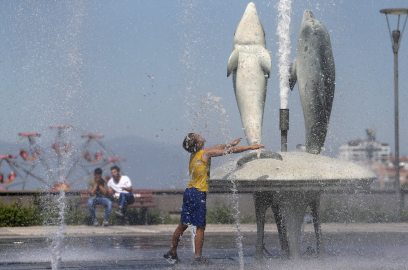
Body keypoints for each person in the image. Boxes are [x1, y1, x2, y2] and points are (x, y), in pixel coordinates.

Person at [164, 133, 264, 265]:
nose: (202, 136)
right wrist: (250, 147)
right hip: (198, 193)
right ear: (199, 144)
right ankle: (198, 258)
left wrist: (232, 143)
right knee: (200, 226)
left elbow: (219, 146)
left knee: (183, 224)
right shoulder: (205, 153)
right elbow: (229, 151)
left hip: (189, 192)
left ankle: (172, 251)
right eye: (199, 136)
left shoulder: (195, 154)